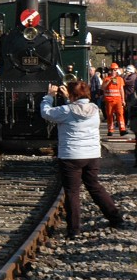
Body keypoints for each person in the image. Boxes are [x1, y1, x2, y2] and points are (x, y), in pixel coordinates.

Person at [40, 80, 124, 238]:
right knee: (94, 186)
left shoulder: (65, 110)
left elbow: (46, 113)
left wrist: (49, 97)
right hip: (92, 155)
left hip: (71, 156)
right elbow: (77, 110)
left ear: (72, 95)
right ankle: (115, 218)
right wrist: (69, 98)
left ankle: (74, 230)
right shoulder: (94, 109)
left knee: (72, 192)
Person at [103, 63, 127, 136]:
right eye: (112, 70)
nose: (113, 71)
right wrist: (109, 81)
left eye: (115, 70)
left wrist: (123, 100)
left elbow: (121, 90)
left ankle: (122, 129)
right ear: (110, 70)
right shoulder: (106, 79)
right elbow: (102, 88)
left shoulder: (120, 79)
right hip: (109, 100)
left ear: (117, 70)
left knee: (120, 114)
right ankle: (110, 130)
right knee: (109, 115)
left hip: (118, 100)